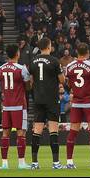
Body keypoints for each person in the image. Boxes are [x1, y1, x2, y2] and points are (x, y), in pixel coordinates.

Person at [64, 42, 90, 168]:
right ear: (87, 52)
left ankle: (69, 162)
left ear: (77, 52)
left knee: (72, 132)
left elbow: (68, 85)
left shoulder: (69, 66)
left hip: (76, 103)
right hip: (89, 103)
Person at [26, 36, 62, 170]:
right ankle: (56, 163)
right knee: (53, 130)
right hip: (51, 99)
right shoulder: (54, 61)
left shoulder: (33, 61)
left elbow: (30, 82)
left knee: (37, 131)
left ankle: (34, 163)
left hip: (38, 99)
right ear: (49, 46)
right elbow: (62, 80)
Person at [0, 45, 31, 169]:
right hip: (19, 106)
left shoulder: (1, 69)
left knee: (5, 134)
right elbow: (28, 87)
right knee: (21, 134)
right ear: (17, 54)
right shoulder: (21, 68)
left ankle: (4, 163)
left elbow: (0, 85)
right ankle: (21, 163)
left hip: (6, 106)